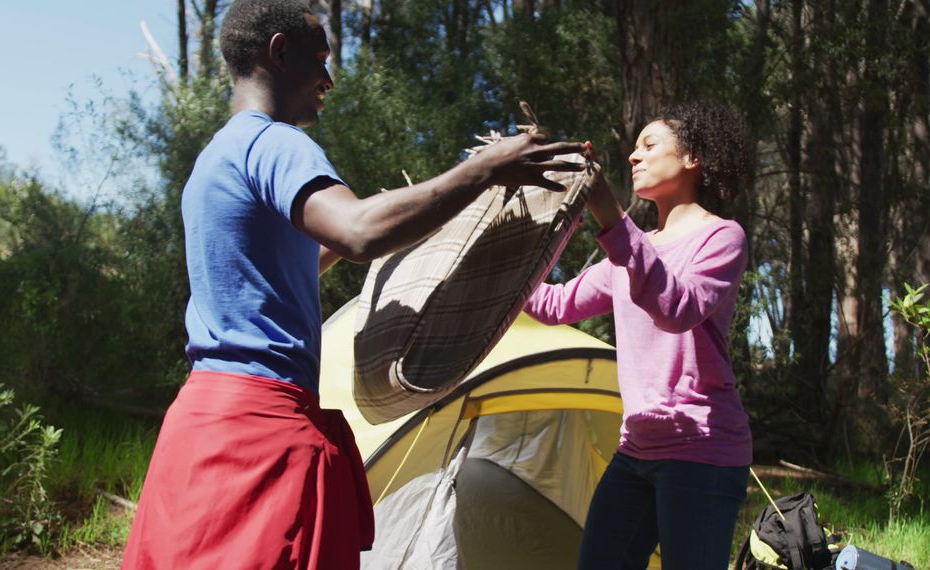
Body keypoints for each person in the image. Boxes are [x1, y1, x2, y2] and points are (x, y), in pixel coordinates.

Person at [121, 1, 585, 568]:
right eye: (319, 60)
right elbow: (359, 231)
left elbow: (304, 258)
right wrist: (482, 170)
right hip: (260, 434)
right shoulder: (275, 144)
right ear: (278, 51)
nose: (329, 81)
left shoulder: (215, 158)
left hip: (204, 425)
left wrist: (417, 225)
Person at [523, 102, 754, 569]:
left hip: (701, 449)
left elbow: (676, 307)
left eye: (649, 145)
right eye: (633, 149)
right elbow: (553, 305)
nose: (633, 156)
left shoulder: (722, 238)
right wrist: (507, 257)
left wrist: (609, 213)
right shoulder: (630, 250)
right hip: (637, 450)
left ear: (694, 159)